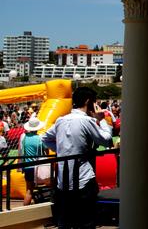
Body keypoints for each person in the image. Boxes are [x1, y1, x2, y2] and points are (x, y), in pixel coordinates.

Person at [42, 87, 113, 229]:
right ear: (88, 101)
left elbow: (45, 138)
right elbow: (106, 140)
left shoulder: (61, 120)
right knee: (87, 220)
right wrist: (102, 120)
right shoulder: (87, 121)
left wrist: (62, 151)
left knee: (66, 221)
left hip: (63, 181)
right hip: (84, 178)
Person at [19, 116, 47, 205]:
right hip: (38, 167)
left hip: (27, 167)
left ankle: (24, 210)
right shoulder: (40, 138)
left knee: (29, 190)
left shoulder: (23, 137)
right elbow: (46, 152)